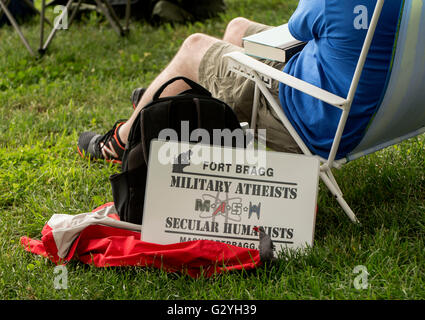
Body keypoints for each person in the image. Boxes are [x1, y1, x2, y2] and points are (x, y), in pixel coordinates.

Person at [77, 0, 403, 164]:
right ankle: (170, 101)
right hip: (373, 107)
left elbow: (303, 27)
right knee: (237, 29)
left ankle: (120, 140)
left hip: (317, 120)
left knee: (194, 48)